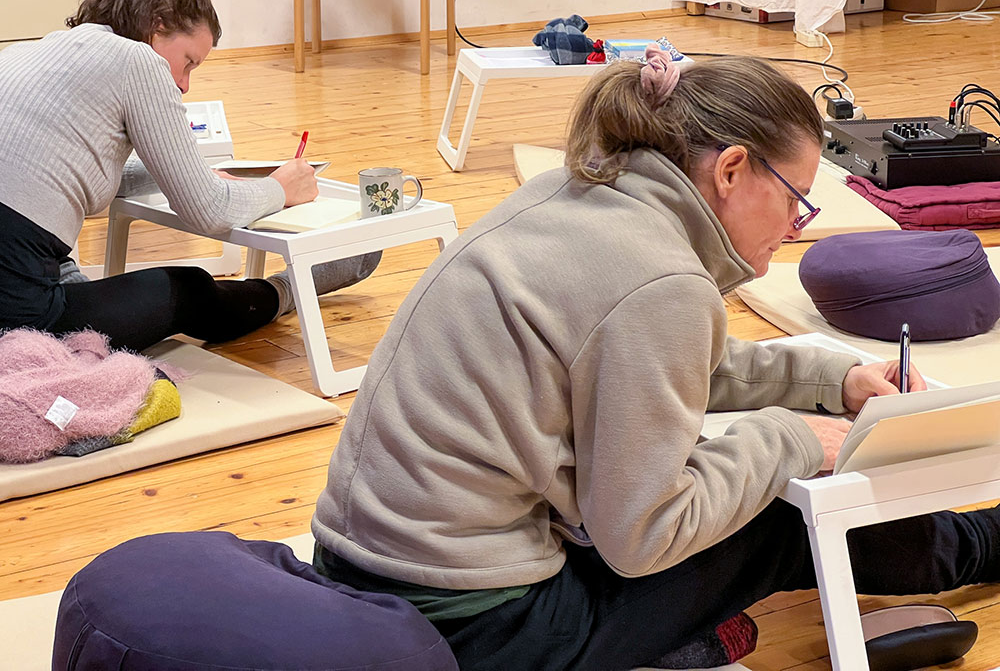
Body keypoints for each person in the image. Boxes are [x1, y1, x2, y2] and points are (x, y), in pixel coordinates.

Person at [310, 47, 1000, 670]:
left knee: (722, 480)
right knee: (781, 522)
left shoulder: (576, 192)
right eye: (796, 203)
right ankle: (982, 544)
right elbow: (642, 535)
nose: (795, 229)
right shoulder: (661, 282)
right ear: (731, 169)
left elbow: (667, 364)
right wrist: (787, 439)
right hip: (477, 626)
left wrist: (832, 380)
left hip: (358, 565)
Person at [0, 0, 379, 351]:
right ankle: (283, 293)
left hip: (22, 265)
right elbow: (209, 212)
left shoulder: (29, 51)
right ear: (157, 24)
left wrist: (183, 177)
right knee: (186, 288)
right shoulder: (137, 61)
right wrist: (281, 189)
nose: (183, 85)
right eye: (188, 62)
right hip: (21, 309)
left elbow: (79, 173)